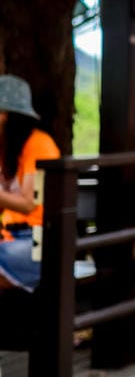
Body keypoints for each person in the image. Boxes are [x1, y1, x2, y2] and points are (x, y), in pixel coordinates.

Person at [0, 74, 61, 292]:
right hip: (8, 235)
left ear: (6, 115)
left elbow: (28, 203)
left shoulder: (39, 145)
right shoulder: (5, 149)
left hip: (38, 239)